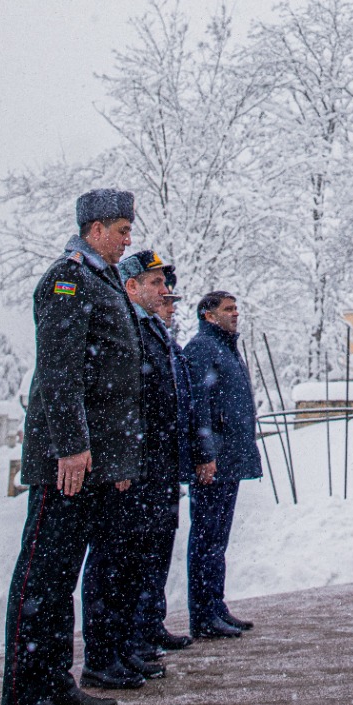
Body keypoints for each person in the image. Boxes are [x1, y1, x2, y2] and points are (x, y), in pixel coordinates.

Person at [0, 189, 144, 705]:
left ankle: (55, 682)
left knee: (61, 577)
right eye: (121, 230)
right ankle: (22, 697)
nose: (128, 240)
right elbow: (60, 371)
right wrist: (72, 446)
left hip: (90, 460)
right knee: (41, 576)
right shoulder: (68, 279)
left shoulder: (100, 280)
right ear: (94, 230)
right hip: (67, 460)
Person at [120, 253, 196, 657]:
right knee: (133, 554)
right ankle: (131, 637)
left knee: (156, 548)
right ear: (131, 286)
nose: (166, 295)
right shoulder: (130, 327)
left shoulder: (155, 332)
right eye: (157, 285)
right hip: (141, 461)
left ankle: (148, 627)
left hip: (160, 461)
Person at [183, 291, 262, 638]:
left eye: (236, 308)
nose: (235, 314)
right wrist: (205, 454)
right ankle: (203, 614)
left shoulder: (226, 348)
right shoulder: (202, 348)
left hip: (229, 458)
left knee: (217, 538)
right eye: (228, 309)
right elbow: (198, 405)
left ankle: (215, 605)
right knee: (206, 537)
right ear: (209, 315)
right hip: (214, 461)